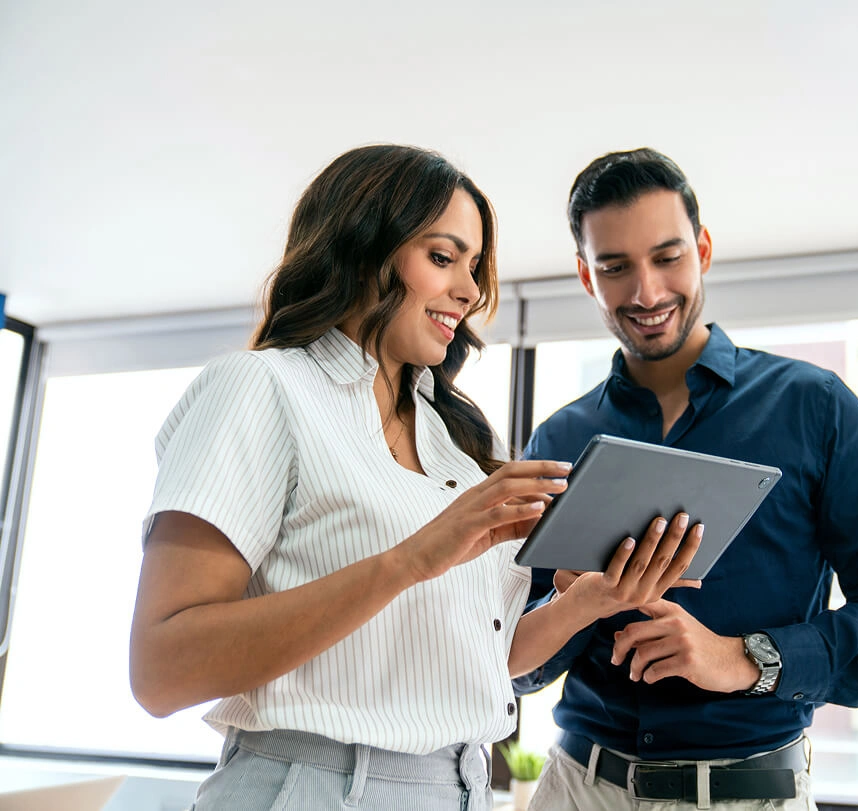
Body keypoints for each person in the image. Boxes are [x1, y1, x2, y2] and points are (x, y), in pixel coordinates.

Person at [129, 144, 702, 811]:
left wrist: (586, 602)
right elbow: (161, 669)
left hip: (458, 786)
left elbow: (470, 661)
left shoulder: (462, 438)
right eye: (441, 256)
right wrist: (410, 560)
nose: (469, 290)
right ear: (362, 249)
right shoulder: (261, 387)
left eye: (473, 265)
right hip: (314, 787)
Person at [514, 148, 858, 810]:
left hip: (749, 794)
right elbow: (513, 661)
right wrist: (579, 603)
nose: (647, 292)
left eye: (667, 257)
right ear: (585, 275)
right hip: (577, 788)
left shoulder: (815, 407)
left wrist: (743, 657)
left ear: (704, 248)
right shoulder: (559, 441)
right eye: (615, 267)